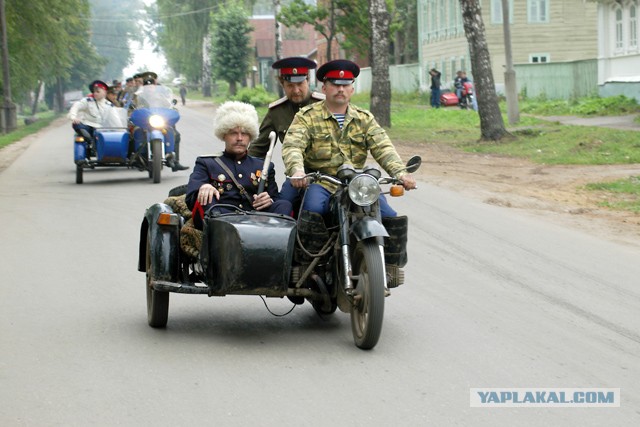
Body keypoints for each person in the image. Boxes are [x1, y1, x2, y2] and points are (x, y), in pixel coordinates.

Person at [282, 59, 417, 218]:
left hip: (359, 183)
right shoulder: (307, 117)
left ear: (352, 89)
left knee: (389, 217)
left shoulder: (364, 118)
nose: (340, 89)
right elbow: (293, 146)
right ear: (324, 88)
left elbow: (383, 148)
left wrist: (401, 173)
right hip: (323, 183)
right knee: (313, 211)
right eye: (335, 84)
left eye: (345, 85)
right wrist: (297, 170)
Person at [186, 101, 292, 230]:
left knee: (284, 205)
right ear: (224, 135)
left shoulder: (264, 166)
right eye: (233, 133)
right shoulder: (206, 163)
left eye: (245, 133)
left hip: (256, 220)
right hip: (222, 221)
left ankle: (274, 246)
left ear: (251, 136)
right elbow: (191, 198)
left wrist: (269, 200)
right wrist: (204, 187)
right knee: (206, 200)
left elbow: (275, 199)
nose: (240, 138)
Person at [249, 56, 325, 210]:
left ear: (307, 80)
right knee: (283, 206)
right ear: (281, 83)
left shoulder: (324, 105)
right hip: (296, 177)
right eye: (290, 85)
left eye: (300, 84)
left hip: (327, 175)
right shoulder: (277, 112)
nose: (296, 90)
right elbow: (258, 149)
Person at [68, 80, 115, 154]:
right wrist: (73, 117)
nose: (95, 93)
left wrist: (123, 129)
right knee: (76, 124)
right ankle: (92, 142)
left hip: (102, 129)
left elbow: (115, 120)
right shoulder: (87, 101)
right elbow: (76, 106)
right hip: (88, 127)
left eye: (98, 91)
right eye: (94, 91)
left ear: (105, 92)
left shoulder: (109, 105)